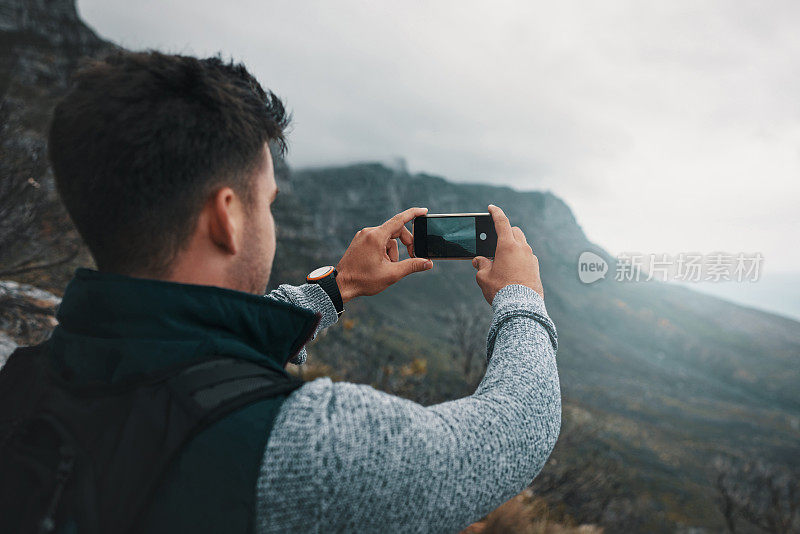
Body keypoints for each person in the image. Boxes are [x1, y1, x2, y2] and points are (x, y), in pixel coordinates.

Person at [33, 50, 561, 532]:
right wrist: (522, 299)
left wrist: (336, 288)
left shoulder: (24, 380)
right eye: (267, 202)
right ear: (227, 217)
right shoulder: (302, 447)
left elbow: (192, 344)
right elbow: (511, 436)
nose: (271, 219)